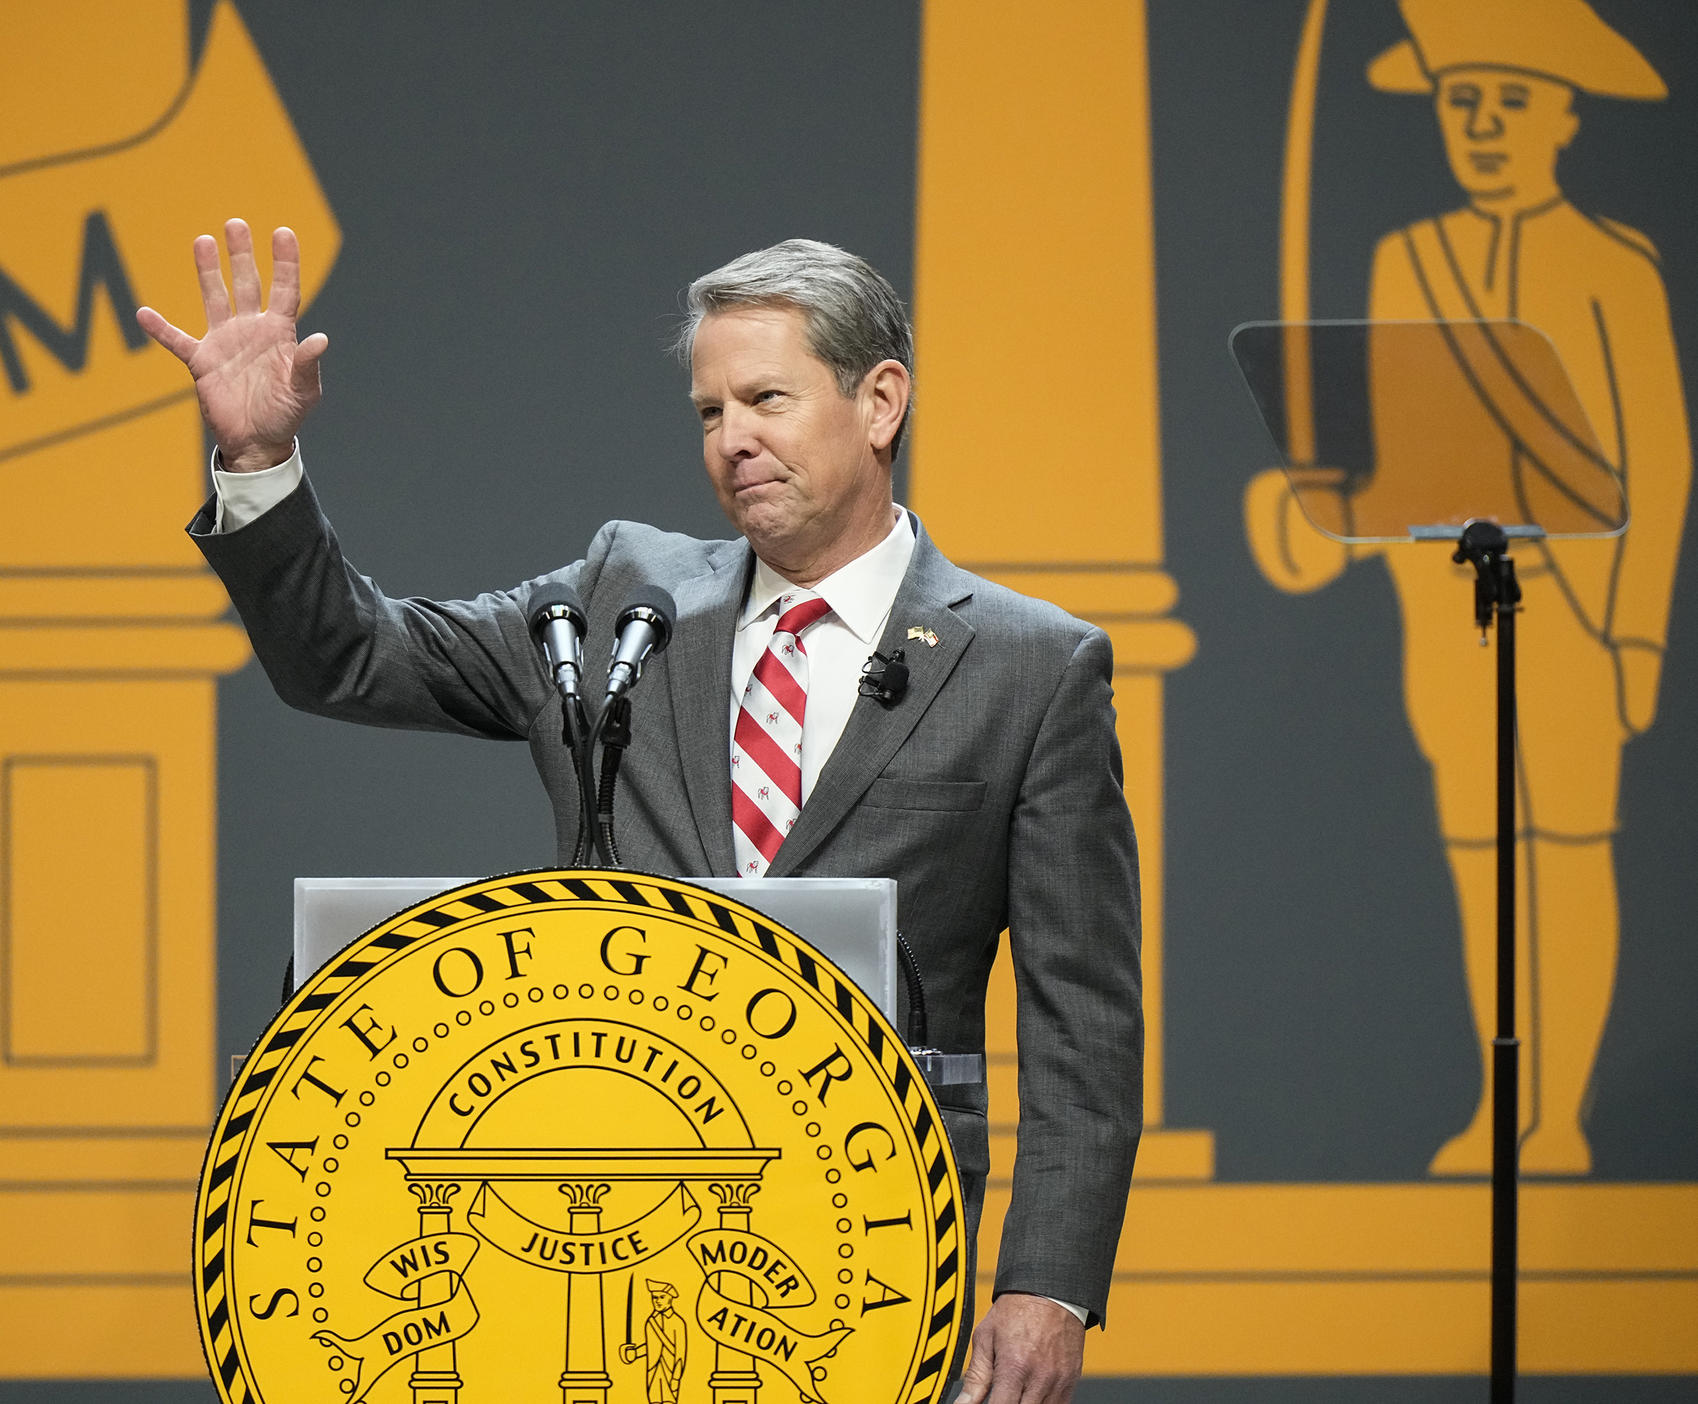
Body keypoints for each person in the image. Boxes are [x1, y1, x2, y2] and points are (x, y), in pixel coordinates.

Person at [139, 224, 1143, 1402]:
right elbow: (349, 659)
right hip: (589, 1219)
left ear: (880, 401)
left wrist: (1048, 1286)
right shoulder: (623, 597)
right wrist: (259, 463)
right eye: (710, 411)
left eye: (766, 397)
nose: (734, 441)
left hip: (869, 1238)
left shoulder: (1033, 666)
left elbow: (1084, 1025)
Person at [1246, 0, 1689, 1175]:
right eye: (1461, 103)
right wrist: (1312, 510)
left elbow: (1663, 458)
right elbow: (1391, 455)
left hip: (1576, 619)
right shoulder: (1412, 258)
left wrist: (1635, 638)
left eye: (1507, 103)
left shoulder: (1610, 266)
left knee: (1568, 850)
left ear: (1562, 118)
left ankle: (1559, 1116)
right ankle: (1508, 1108)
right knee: (1480, 862)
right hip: (1449, 620)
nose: (1481, 126)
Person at [619, 1278, 688, 1403]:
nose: (657, 1301)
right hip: (653, 1370)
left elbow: (680, 1354)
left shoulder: (678, 1322)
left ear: (670, 1298)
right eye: (654, 1297)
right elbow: (651, 1346)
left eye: (662, 1297)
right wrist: (635, 1353)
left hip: (670, 1371)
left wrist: (676, 1378)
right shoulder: (651, 1321)